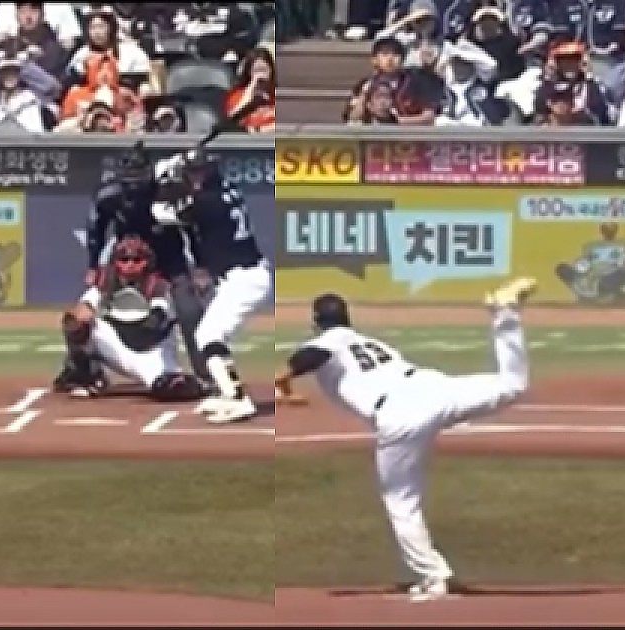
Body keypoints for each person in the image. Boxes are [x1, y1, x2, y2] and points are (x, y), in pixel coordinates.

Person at [273, 277, 538, 601]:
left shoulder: (328, 340)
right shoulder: (371, 342)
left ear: (316, 322)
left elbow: (312, 355)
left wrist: (282, 380)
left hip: (400, 413)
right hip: (434, 388)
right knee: (512, 385)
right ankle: (505, 312)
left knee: (401, 502)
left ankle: (434, 577)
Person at [53, 142, 211, 395]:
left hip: (168, 253)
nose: (134, 188)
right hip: (128, 252)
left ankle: (206, 374)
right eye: (129, 181)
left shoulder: (169, 193)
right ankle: (81, 369)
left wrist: (200, 266)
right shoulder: (108, 196)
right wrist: (93, 265)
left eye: (139, 181)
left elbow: (192, 229)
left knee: (189, 309)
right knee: (78, 322)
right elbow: (96, 230)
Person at [152, 148, 273, 424]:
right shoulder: (223, 190)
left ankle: (237, 398)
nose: (192, 177)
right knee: (209, 335)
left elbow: (161, 213)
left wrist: (163, 176)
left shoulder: (207, 202)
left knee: (209, 335)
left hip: (245, 279)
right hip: (239, 275)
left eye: (196, 172)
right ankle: (227, 392)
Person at [58, 235, 207, 401]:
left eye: (137, 260)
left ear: (147, 262)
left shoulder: (158, 285)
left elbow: (156, 321)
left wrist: (151, 321)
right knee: (75, 323)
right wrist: (85, 310)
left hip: (151, 351)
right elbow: (82, 308)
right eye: (124, 259)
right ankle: (87, 375)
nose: (130, 265)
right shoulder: (107, 282)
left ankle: (199, 383)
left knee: (170, 388)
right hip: (116, 345)